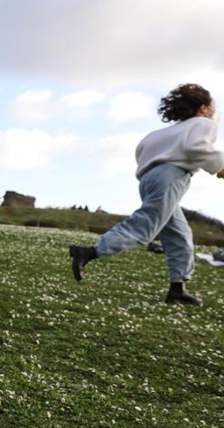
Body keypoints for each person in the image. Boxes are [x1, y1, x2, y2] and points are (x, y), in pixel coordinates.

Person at [70, 84, 224, 305]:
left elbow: (143, 152)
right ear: (202, 108)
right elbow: (197, 148)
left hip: (148, 179)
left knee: (179, 234)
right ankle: (89, 252)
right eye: (213, 108)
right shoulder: (203, 123)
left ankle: (177, 289)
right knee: (145, 226)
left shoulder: (162, 133)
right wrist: (219, 167)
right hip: (170, 178)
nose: (214, 113)